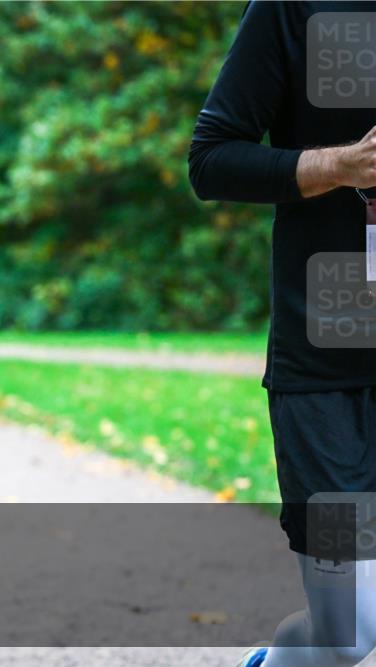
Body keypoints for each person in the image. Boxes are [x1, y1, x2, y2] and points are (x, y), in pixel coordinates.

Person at [188, 3, 376, 666]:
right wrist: (344, 166)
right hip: (327, 373)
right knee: (349, 633)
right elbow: (211, 160)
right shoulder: (294, 7)